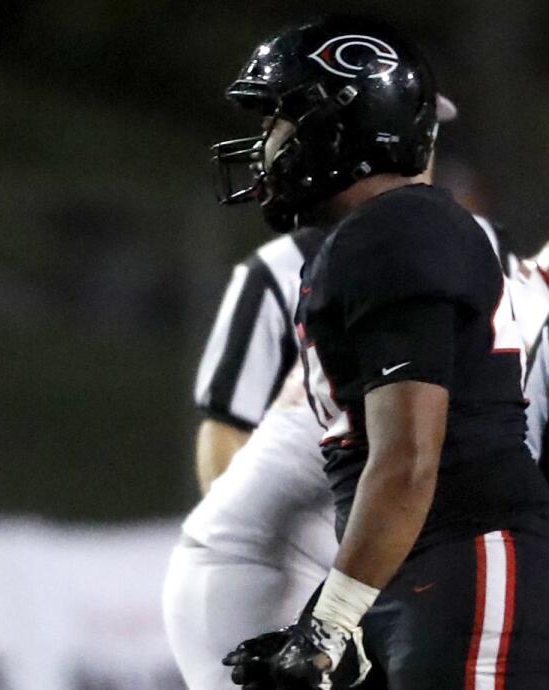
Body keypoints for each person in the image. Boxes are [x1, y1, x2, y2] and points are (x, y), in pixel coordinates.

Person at [212, 15, 549, 689]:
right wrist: (330, 615)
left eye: (280, 119)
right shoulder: (383, 235)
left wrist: (330, 621)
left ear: (338, 123)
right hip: (429, 569)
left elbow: (408, 459)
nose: (266, 143)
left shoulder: (396, 230)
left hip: (467, 561)